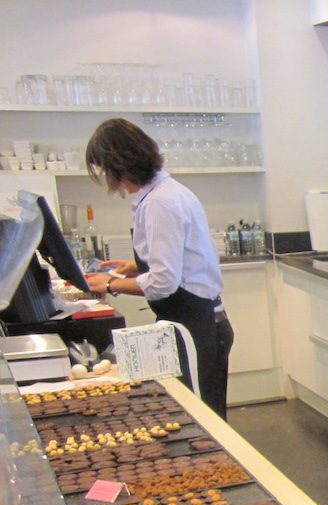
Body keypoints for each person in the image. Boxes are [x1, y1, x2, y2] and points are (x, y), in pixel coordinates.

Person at [83, 118, 234, 418]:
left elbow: (164, 281)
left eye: (102, 169)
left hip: (195, 327)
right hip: (196, 322)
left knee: (203, 424)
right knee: (199, 418)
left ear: (116, 166)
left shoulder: (159, 203)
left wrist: (108, 285)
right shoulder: (162, 193)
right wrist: (131, 268)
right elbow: (179, 264)